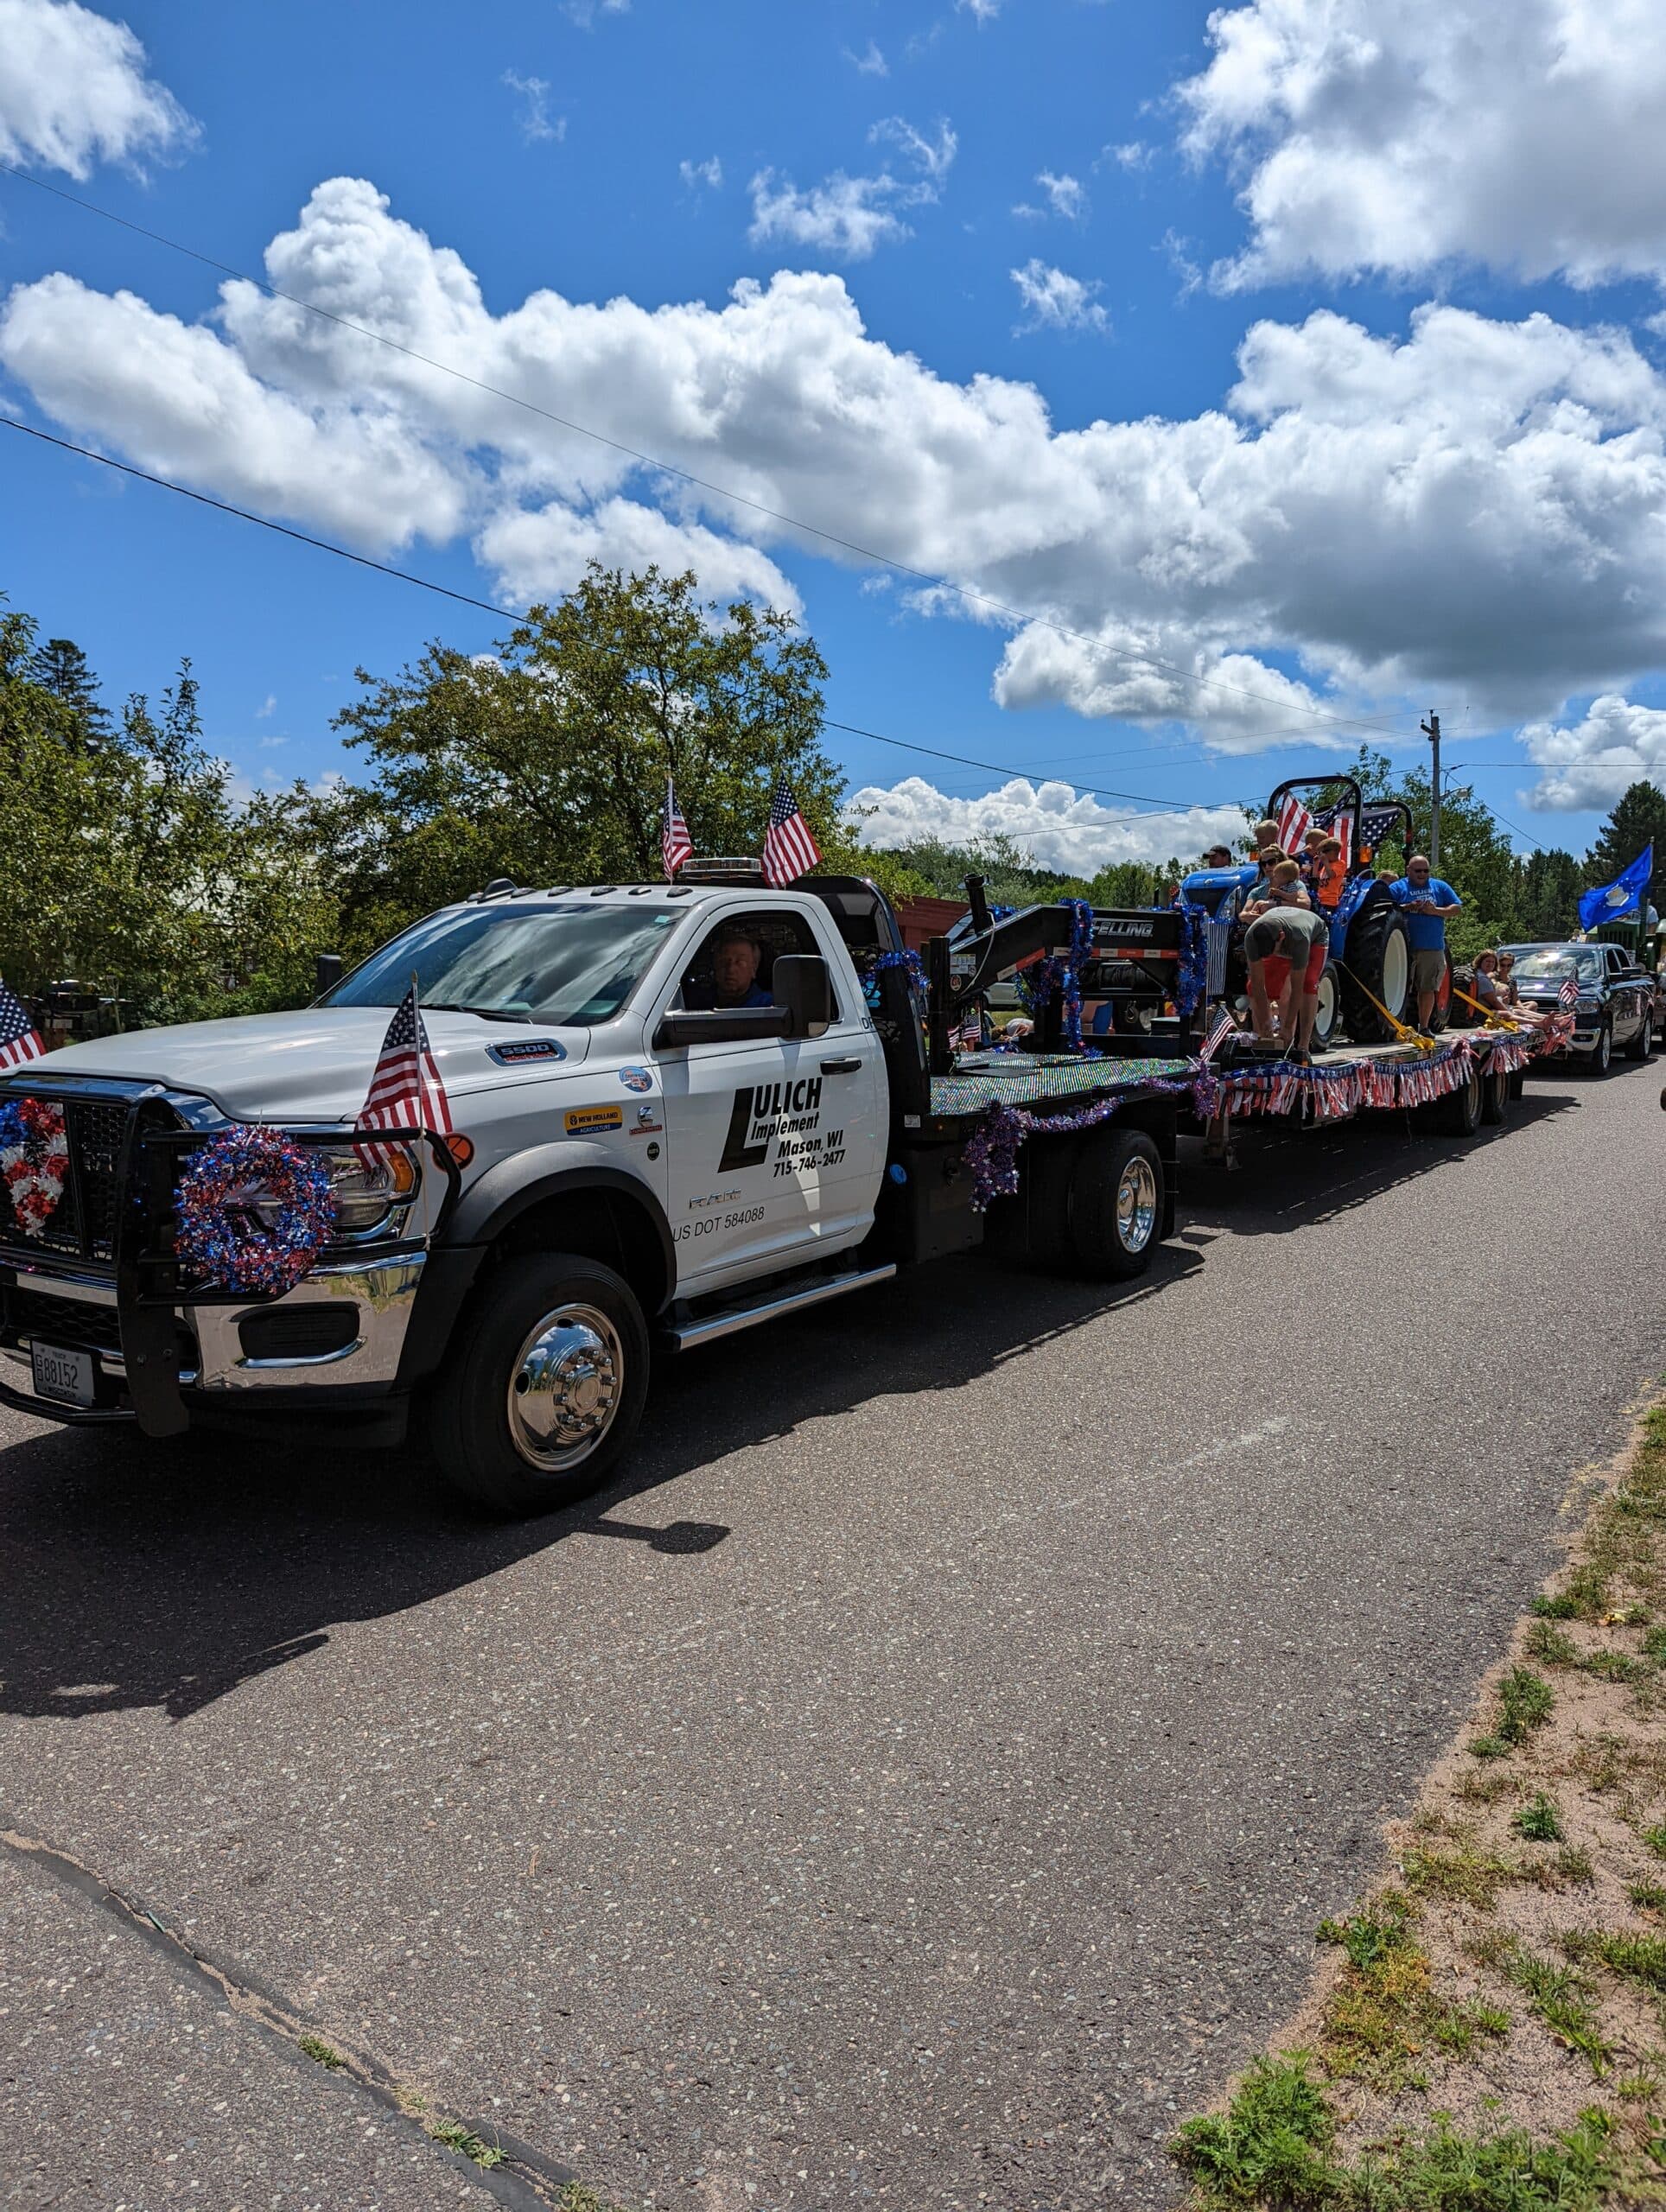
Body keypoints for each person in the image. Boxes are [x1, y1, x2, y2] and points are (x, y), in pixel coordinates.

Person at [1243, 864, 1330, 1058]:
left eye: (1271, 951)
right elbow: (1258, 986)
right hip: (1280, 928)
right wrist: (1266, 1023)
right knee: (1256, 983)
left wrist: (1288, 1027)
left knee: (1308, 983)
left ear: (1281, 938)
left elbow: (1297, 989)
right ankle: (1264, 1033)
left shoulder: (1299, 938)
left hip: (1315, 936)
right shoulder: (1252, 937)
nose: (1268, 955)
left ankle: (1303, 1045)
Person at [1389, 855, 1462, 1033]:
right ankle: (1395, 1026)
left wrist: (1434, 910)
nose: (1422, 874)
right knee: (1399, 988)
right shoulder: (1397, 887)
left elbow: (1457, 908)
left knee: (1427, 988)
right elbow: (1386, 909)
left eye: (1426, 871)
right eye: (1418, 871)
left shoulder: (1440, 886)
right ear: (1408, 870)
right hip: (1402, 947)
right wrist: (1407, 907)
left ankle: (1424, 1026)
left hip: (1432, 947)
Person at [688, 925, 773, 1008]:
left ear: (754, 969)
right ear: (715, 965)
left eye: (740, 962)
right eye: (723, 961)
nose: (730, 969)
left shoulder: (767, 1007)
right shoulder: (697, 1003)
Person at [1312, 834, 1347, 910]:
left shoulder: (1340, 864)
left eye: (1321, 853)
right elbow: (1315, 879)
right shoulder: (1326, 866)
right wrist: (1316, 865)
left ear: (1331, 852)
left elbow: (1331, 875)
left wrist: (1325, 862)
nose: (1320, 856)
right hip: (1320, 899)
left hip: (1330, 902)